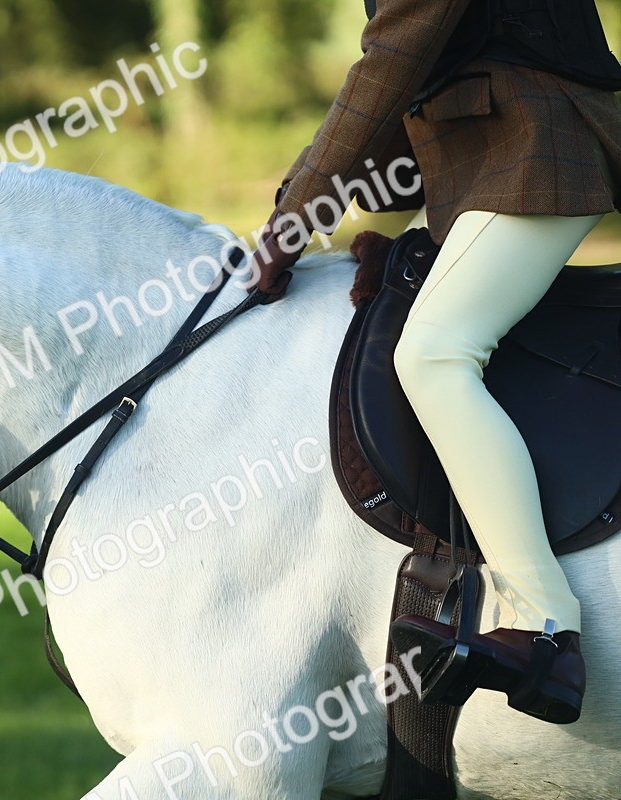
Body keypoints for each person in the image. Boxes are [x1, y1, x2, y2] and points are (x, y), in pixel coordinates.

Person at [253, 0, 621, 724]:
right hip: (482, 164)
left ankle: (545, 626)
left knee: (436, 354)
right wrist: (306, 204)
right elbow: (410, 81)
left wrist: (297, 214)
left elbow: (391, 61)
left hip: (534, 151)